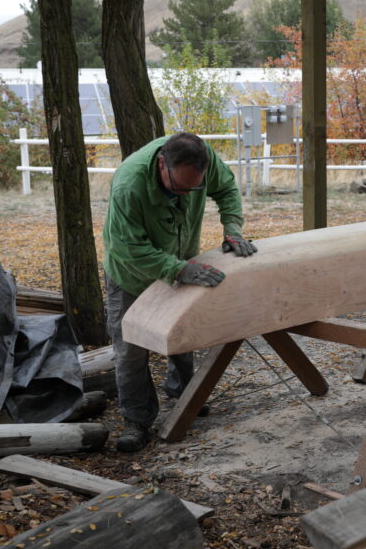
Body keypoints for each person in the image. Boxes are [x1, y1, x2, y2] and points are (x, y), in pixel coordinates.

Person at [103, 132, 257, 453]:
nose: (188, 194)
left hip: (182, 260)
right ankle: (137, 419)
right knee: (130, 349)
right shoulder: (129, 185)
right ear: (162, 164)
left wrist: (232, 228)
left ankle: (185, 393)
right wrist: (177, 269)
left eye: (194, 188)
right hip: (131, 272)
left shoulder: (204, 159)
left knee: (183, 331)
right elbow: (127, 246)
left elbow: (227, 189)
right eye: (180, 188)